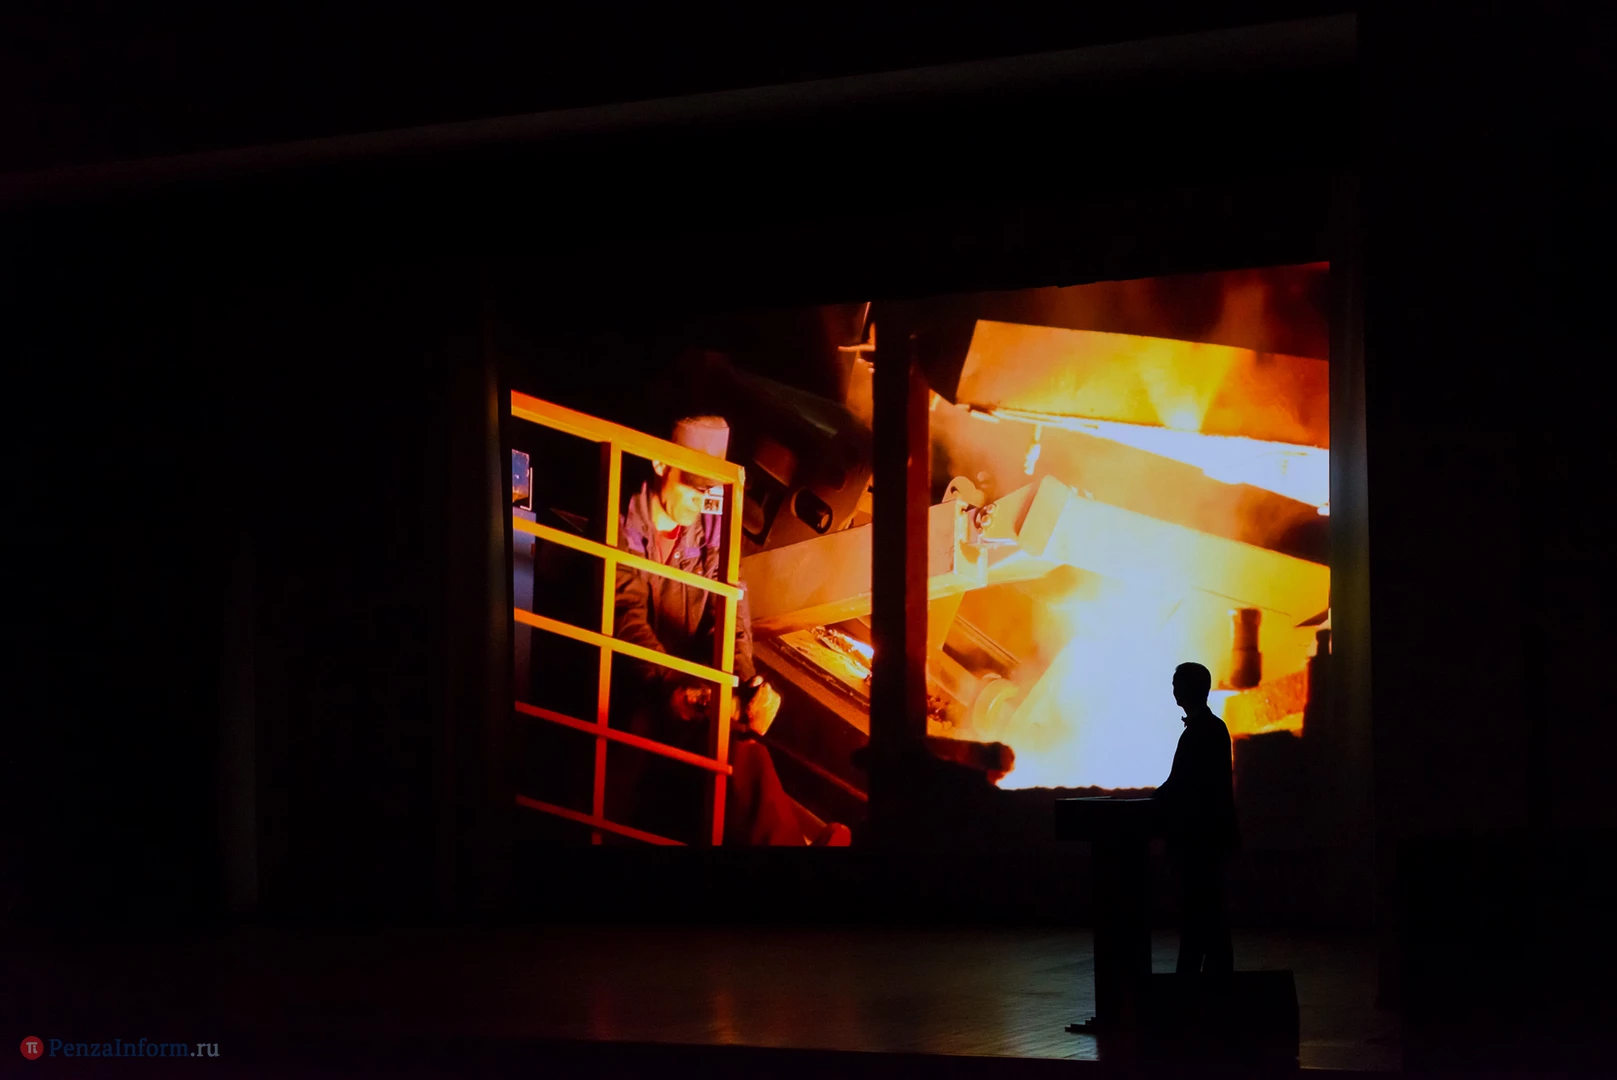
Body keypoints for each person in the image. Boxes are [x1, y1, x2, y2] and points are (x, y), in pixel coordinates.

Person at [611, 415, 851, 846]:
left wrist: (742, 682)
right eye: (692, 486)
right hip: (639, 690)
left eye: (708, 488)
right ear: (660, 464)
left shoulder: (711, 517)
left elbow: (729, 603)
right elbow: (627, 620)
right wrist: (676, 688)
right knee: (734, 759)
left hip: (694, 691)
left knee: (742, 750)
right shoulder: (622, 524)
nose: (700, 500)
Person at [1153, 661, 1240, 975]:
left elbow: (1182, 784)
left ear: (1189, 689)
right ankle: (1212, 984)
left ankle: (1191, 986)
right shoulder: (1212, 729)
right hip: (1208, 839)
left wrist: (1151, 802)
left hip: (1199, 841)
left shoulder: (1200, 733)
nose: (1173, 689)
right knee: (1209, 918)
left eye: (1177, 683)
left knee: (1198, 916)